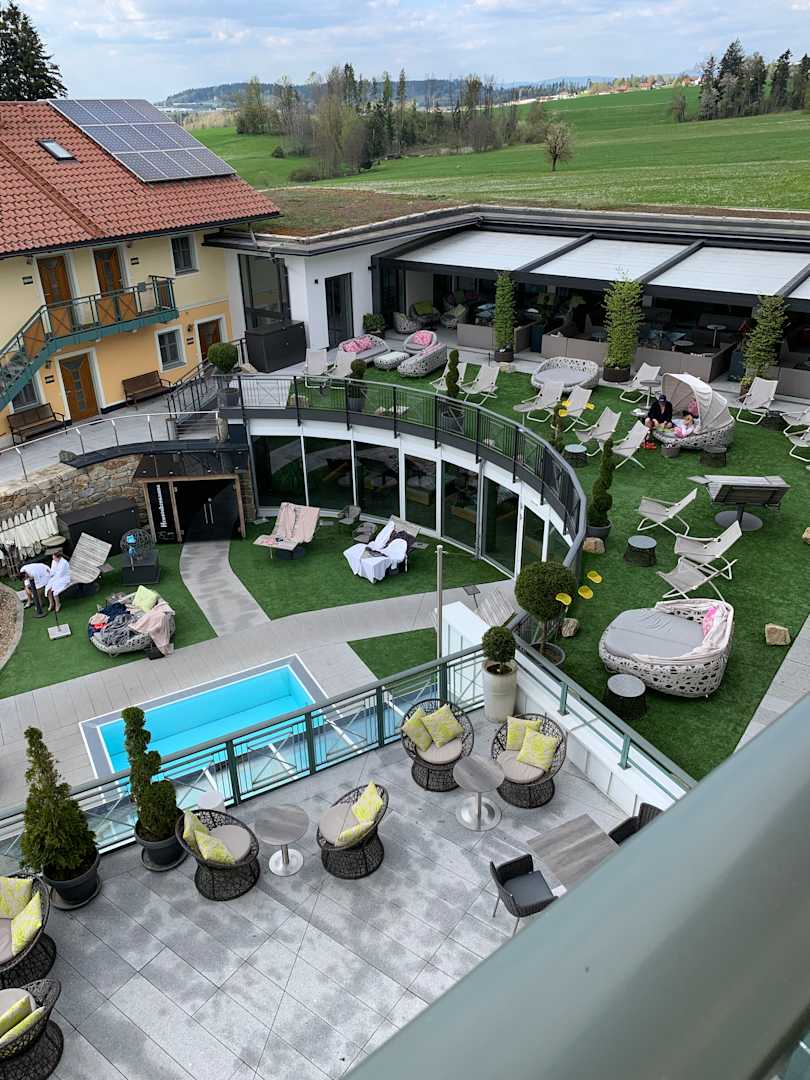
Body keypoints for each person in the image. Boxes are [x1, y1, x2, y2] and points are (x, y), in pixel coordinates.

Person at [44, 549, 71, 614]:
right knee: (48, 587)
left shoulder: (64, 563)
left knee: (54, 588)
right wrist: (49, 572)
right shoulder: (53, 561)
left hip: (64, 578)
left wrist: (53, 577)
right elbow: (53, 571)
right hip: (56, 577)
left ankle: (58, 604)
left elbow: (60, 574)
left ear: (58, 557)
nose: (53, 559)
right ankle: (51, 603)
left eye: (54, 558)